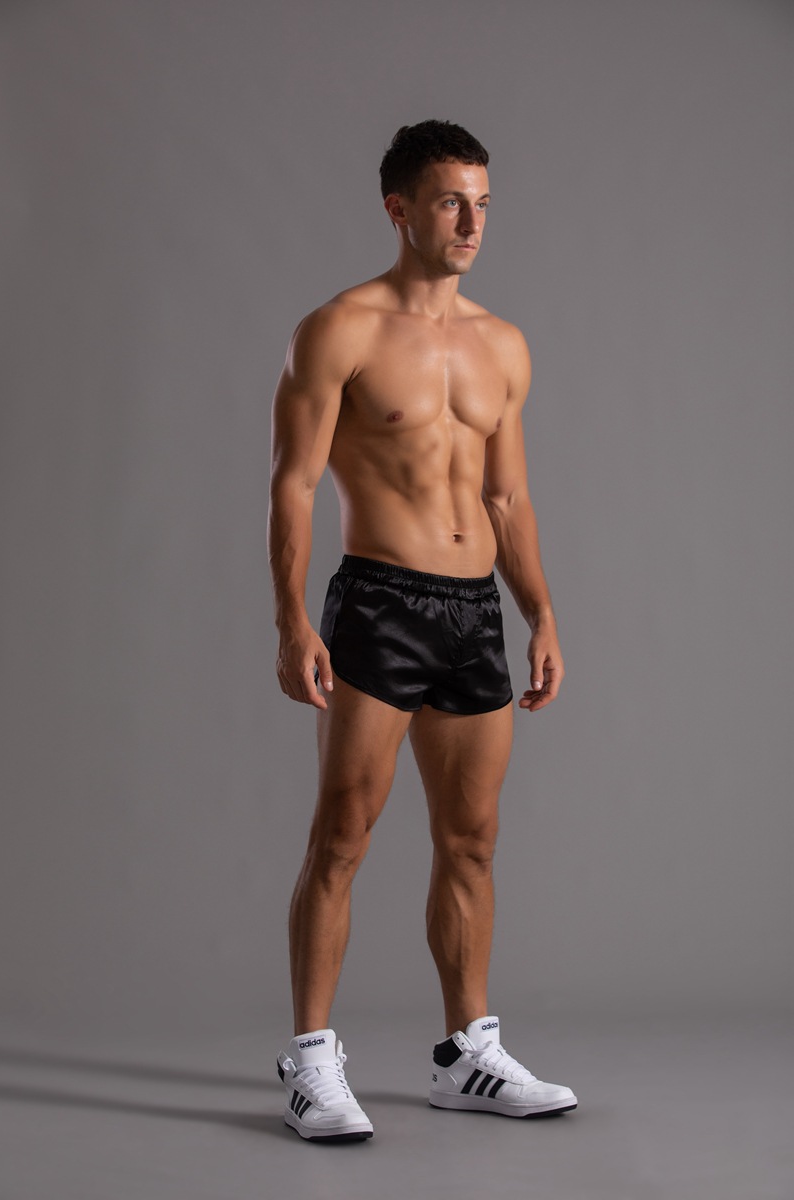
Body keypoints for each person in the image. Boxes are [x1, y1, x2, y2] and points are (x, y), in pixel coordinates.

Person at [268, 119, 577, 1142]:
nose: (471, 222)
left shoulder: (503, 343)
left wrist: (540, 612)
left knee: (473, 842)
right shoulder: (339, 330)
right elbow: (293, 484)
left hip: (473, 611)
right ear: (398, 209)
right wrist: (290, 618)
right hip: (379, 602)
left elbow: (508, 497)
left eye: (482, 204)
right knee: (342, 837)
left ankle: (466, 1055)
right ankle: (311, 1064)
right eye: (451, 202)